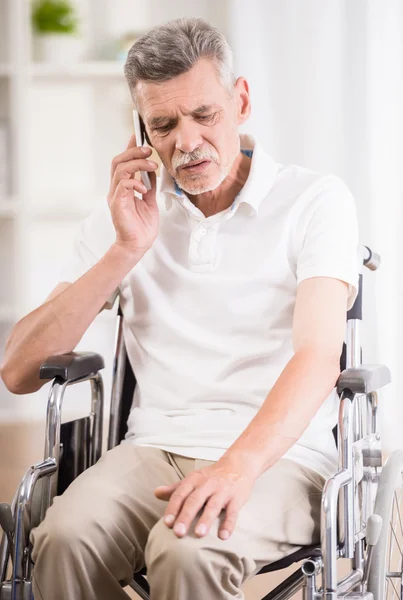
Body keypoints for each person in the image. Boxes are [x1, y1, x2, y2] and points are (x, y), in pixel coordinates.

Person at [1, 17, 359, 600]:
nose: (186, 142)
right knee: (62, 536)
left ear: (240, 100)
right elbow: (18, 370)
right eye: (163, 125)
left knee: (189, 548)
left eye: (204, 115)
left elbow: (319, 355)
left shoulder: (314, 200)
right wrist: (126, 248)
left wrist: (237, 467)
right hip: (154, 447)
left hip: (281, 457)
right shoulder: (126, 216)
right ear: (140, 129)